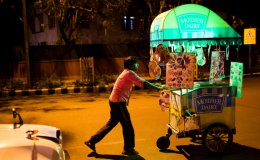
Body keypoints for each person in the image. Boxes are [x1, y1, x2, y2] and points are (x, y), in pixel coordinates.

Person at [85, 56, 162, 155]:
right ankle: (129, 149)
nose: (138, 64)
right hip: (118, 102)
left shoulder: (126, 72)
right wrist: (157, 88)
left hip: (113, 101)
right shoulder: (129, 73)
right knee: (127, 126)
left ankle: (92, 141)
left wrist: (157, 86)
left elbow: (141, 82)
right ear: (130, 65)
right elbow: (143, 83)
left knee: (111, 123)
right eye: (136, 63)